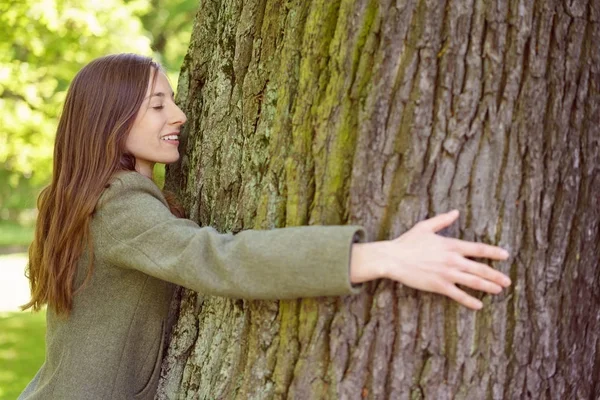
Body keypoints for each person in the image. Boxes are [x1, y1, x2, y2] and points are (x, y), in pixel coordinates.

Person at [19, 53, 511, 399]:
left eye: (173, 100)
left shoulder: (92, 200)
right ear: (112, 119)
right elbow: (219, 258)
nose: (181, 115)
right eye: (157, 105)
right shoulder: (119, 208)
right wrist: (378, 257)